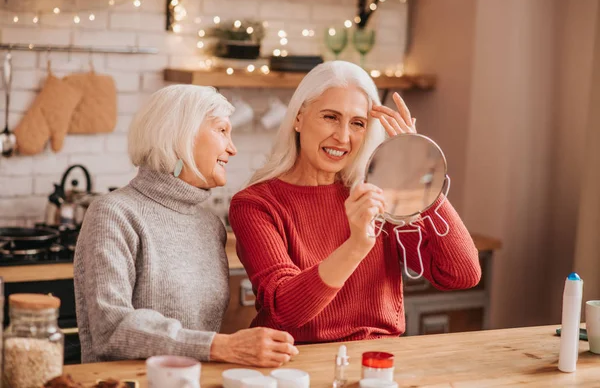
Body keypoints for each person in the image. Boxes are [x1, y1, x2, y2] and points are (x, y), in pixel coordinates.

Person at [228, 61, 481, 344]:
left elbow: (461, 274)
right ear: (298, 118)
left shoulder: (376, 195)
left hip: (379, 362)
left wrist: (420, 170)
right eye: (330, 117)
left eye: (357, 123)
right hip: (298, 363)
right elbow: (285, 309)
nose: (343, 136)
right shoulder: (256, 204)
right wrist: (356, 245)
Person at [74, 85, 298, 367]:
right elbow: (112, 327)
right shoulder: (114, 213)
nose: (233, 148)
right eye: (221, 131)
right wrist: (222, 345)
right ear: (182, 134)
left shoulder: (209, 225)